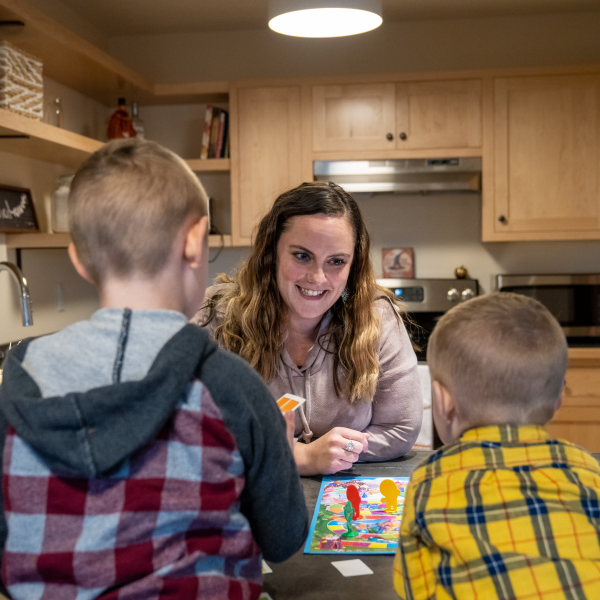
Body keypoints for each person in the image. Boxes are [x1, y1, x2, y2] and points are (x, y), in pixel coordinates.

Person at [0, 138, 308, 599]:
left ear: (79, 259)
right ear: (193, 241)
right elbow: (284, 541)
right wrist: (278, 448)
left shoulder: (19, 384)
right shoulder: (229, 386)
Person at [193, 181, 422, 475]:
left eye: (337, 261)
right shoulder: (216, 315)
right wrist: (299, 456)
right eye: (302, 256)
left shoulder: (377, 317)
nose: (317, 277)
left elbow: (400, 428)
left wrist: (334, 452)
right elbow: (190, 427)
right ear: (271, 252)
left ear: (353, 265)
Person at [394, 292, 600, 600]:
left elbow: (412, 586)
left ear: (442, 402)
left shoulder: (430, 479)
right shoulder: (588, 470)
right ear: (558, 401)